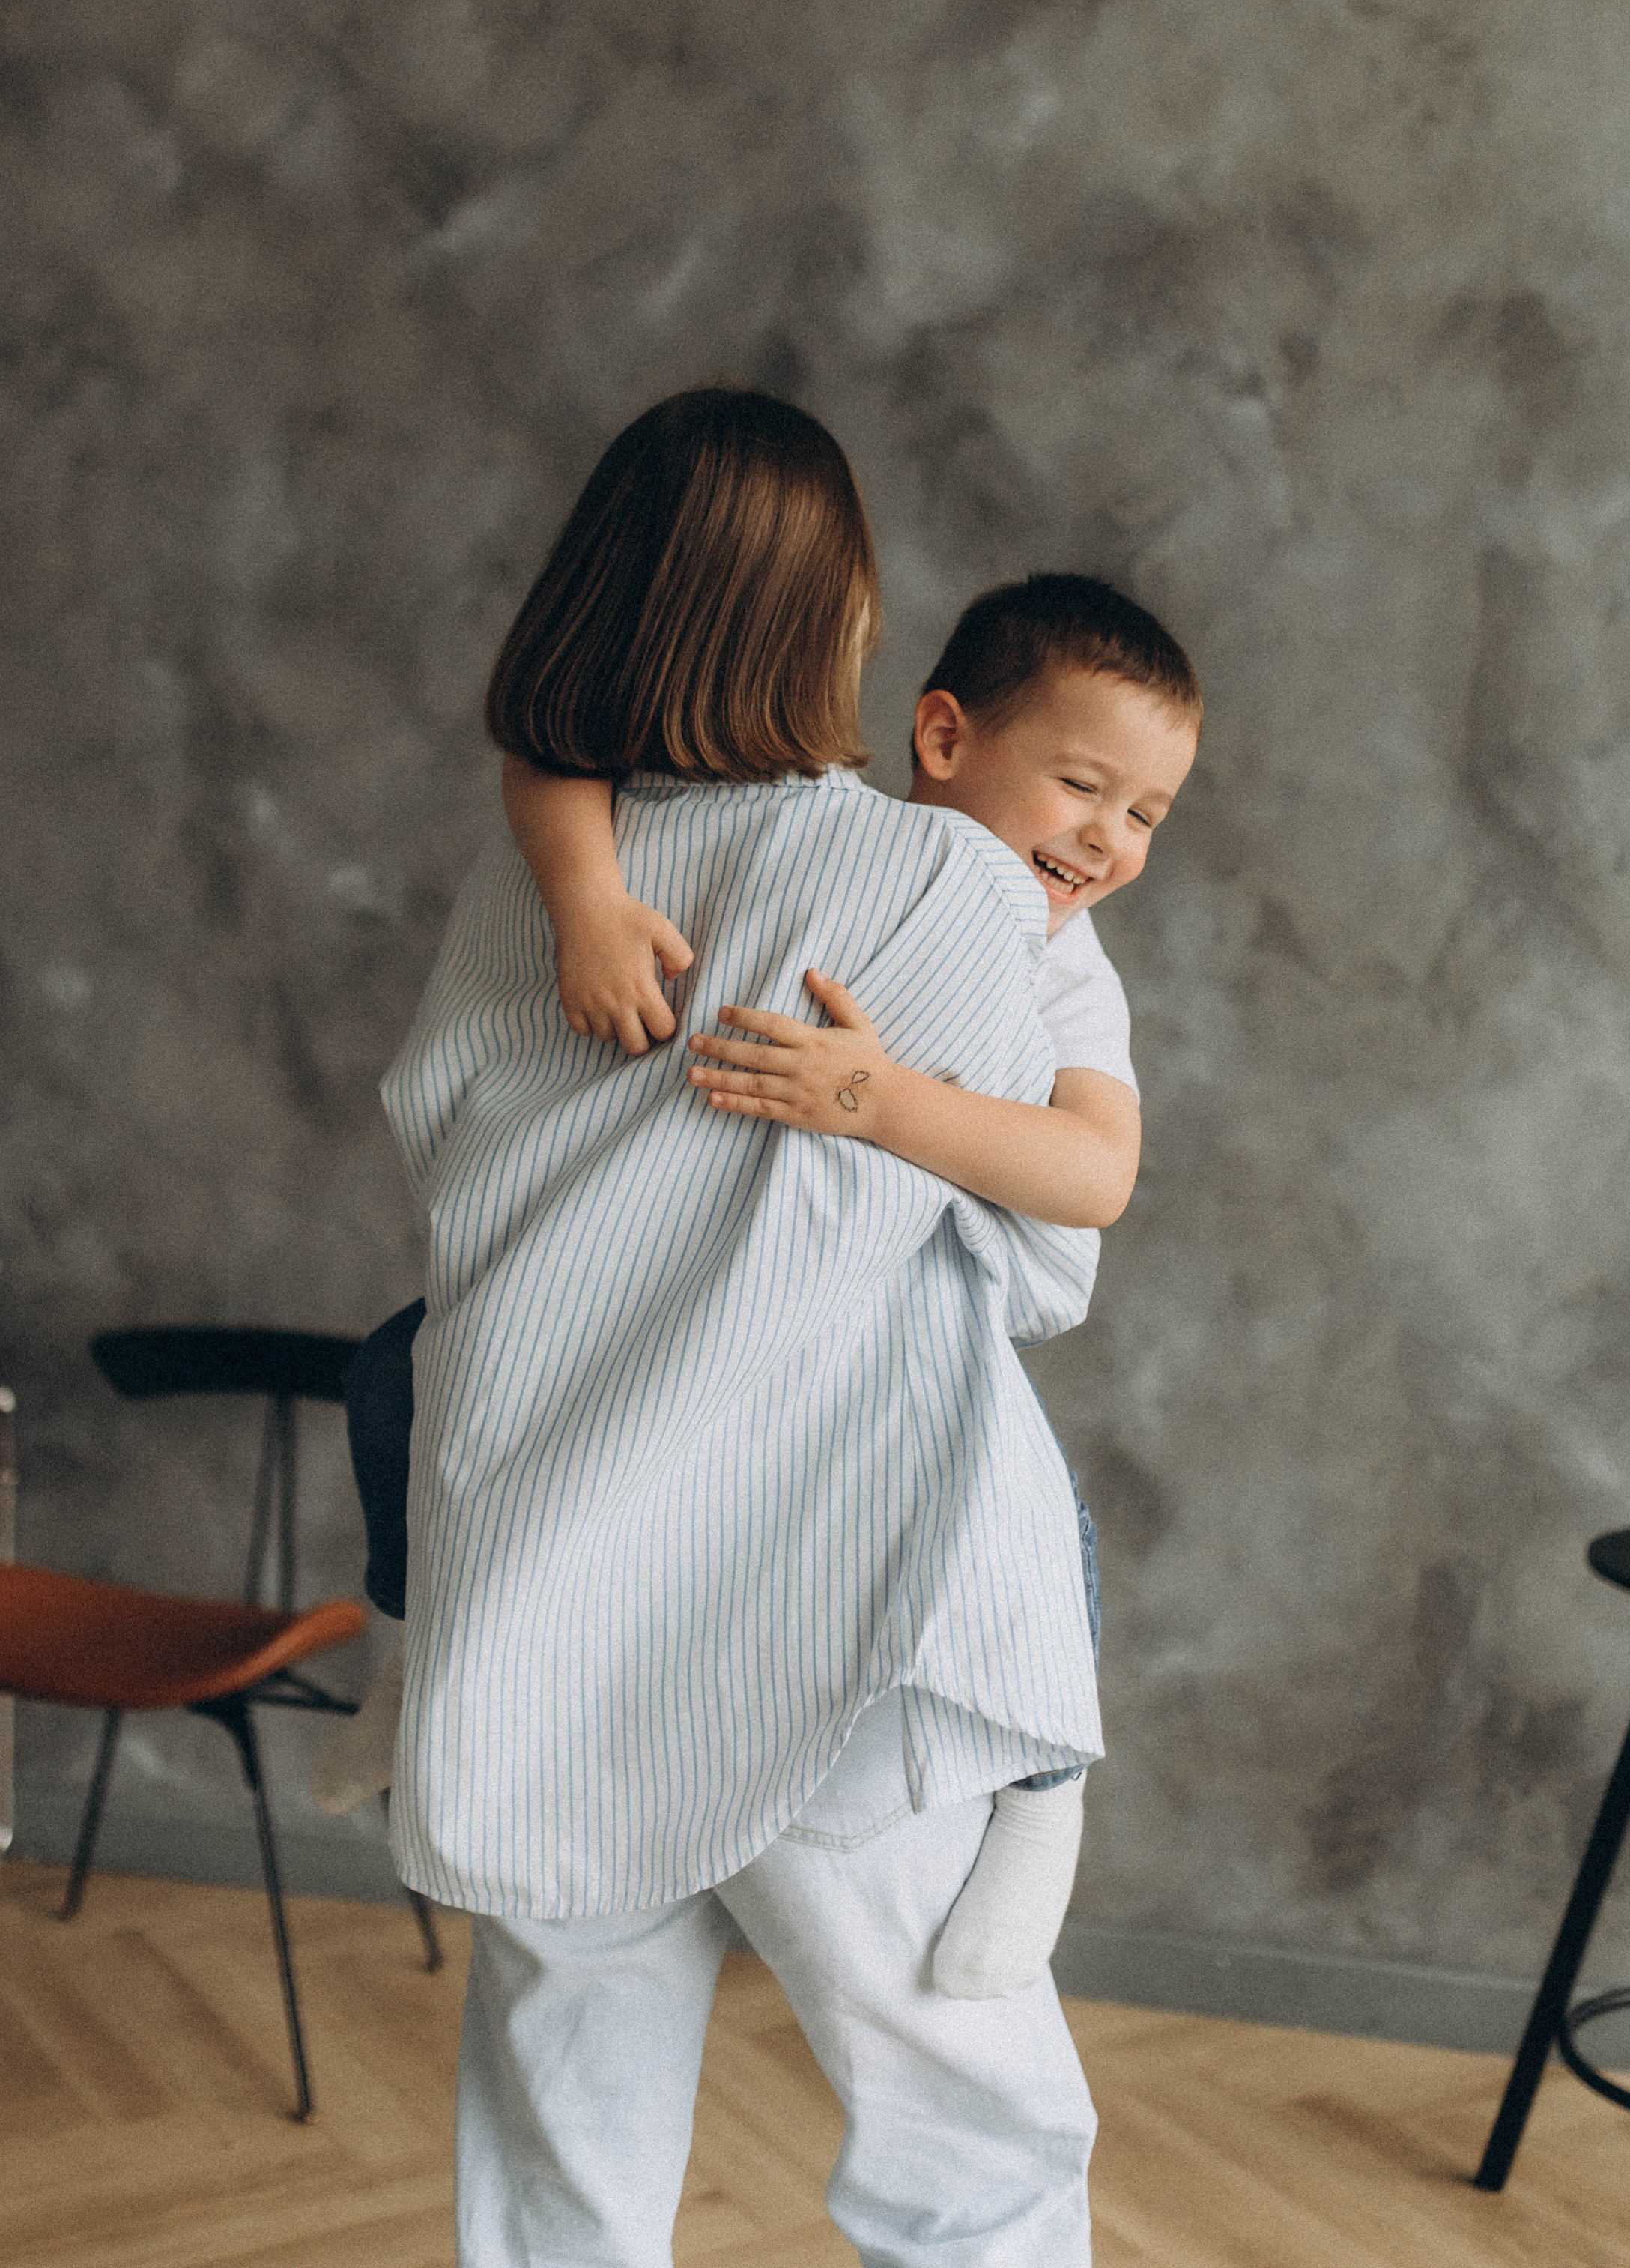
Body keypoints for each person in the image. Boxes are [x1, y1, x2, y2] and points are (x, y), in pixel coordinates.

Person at [370, 386, 1108, 2268]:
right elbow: (1039, 1257)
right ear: (838, 617)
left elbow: (447, 1133)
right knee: (971, 2123)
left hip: (540, 1568)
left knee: (561, 2119)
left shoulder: (540, 885)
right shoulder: (944, 879)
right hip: (816, 1592)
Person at [324, 575, 1202, 2004]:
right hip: (660, 1293)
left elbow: (1095, 1174)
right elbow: (563, 751)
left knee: (1033, 1504)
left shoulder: (1064, 968)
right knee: (407, 1370)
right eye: (1083, 788)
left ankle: (1045, 1784)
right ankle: (432, 1646)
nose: (1109, 839)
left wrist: (878, 1097)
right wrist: (588, 900)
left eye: (1148, 817)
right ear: (939, 736)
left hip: (873, 1339)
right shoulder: (805, 838)